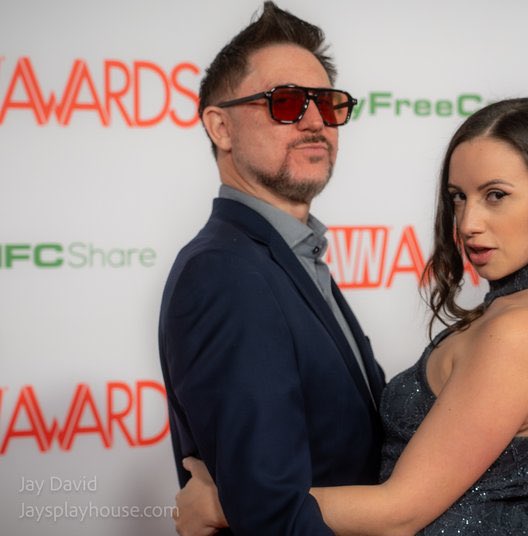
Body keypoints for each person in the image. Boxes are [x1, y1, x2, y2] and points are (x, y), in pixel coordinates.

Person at [174, 98, 528, 535]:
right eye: (458, 196)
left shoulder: (520, 330)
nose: (468, 223)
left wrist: (224, 506)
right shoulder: (526, 311)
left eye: (496, 195)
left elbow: (399, 512)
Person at [158, 2, 386, 534]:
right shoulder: (225, 274)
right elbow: (272, 516)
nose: (315, 121)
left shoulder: (289, 258)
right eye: (285, 102)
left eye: (327, 103)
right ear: (221, 127)